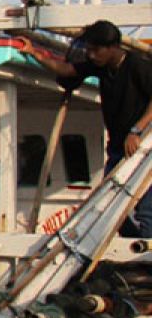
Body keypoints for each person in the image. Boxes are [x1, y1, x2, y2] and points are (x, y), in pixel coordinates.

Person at [16, 20, 152, 237]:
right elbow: (69, 70)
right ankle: (132, 247)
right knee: (108, 203)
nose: (91, 55)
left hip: (144, 148)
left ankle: (146, 255)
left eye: (95, 50)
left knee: (146, 208)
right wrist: (35, 53)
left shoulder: (137, 65)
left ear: (112, 47)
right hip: (119, 148)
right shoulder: (101, 67)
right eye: (88, 50)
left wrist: (136, 131)